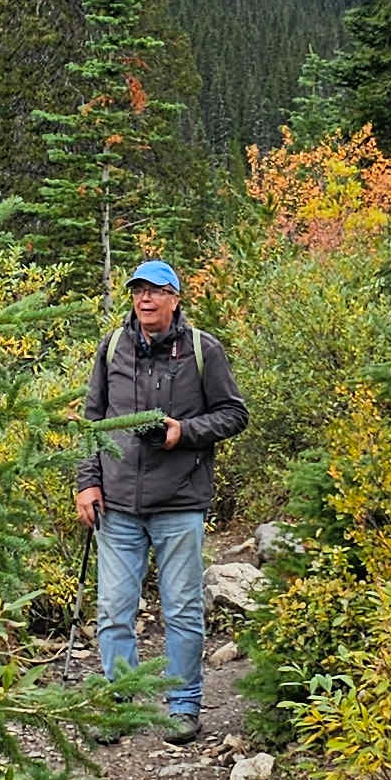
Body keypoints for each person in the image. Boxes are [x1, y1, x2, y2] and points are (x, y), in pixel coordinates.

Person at [72, 258, 247, 738]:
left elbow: (234, 414)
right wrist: (87, 482)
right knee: (113, 610)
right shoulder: (112, 348)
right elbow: (91, 422)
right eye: (137, 290)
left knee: (184, 608)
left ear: (175, 298)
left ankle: (184, 704)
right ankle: (120, 704)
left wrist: (183, 432)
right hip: (118, 504)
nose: (144, 299)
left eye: (155, 290)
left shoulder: (201, 350)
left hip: (180, 502)